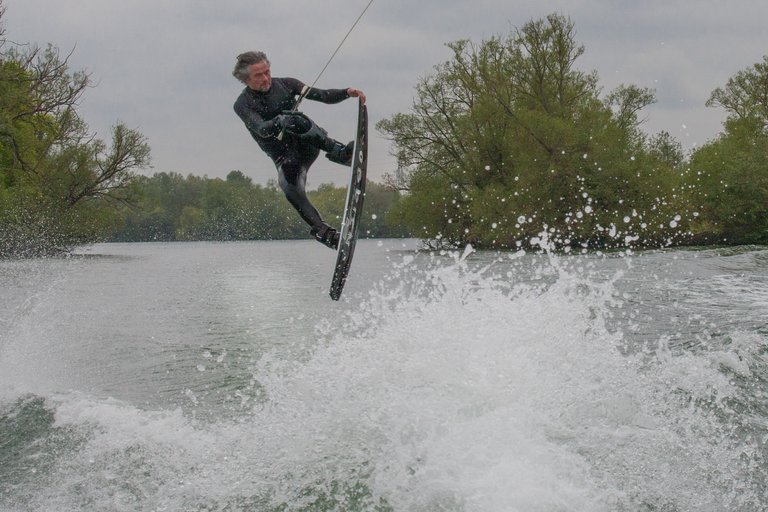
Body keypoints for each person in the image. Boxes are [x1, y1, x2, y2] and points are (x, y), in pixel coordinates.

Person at [232, 51, 366, 250]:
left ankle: (340, 153)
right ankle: (325, 233)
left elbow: (322, 95)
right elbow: (260, 128)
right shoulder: (242, 104)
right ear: (245, 79)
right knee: (290, 190)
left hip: (308, 144)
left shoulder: (287, 84)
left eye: (267, 72)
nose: (266, 78)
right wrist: (279, 121)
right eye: (258, 75)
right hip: (286, 159)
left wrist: (347, 92)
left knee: (296, 120)